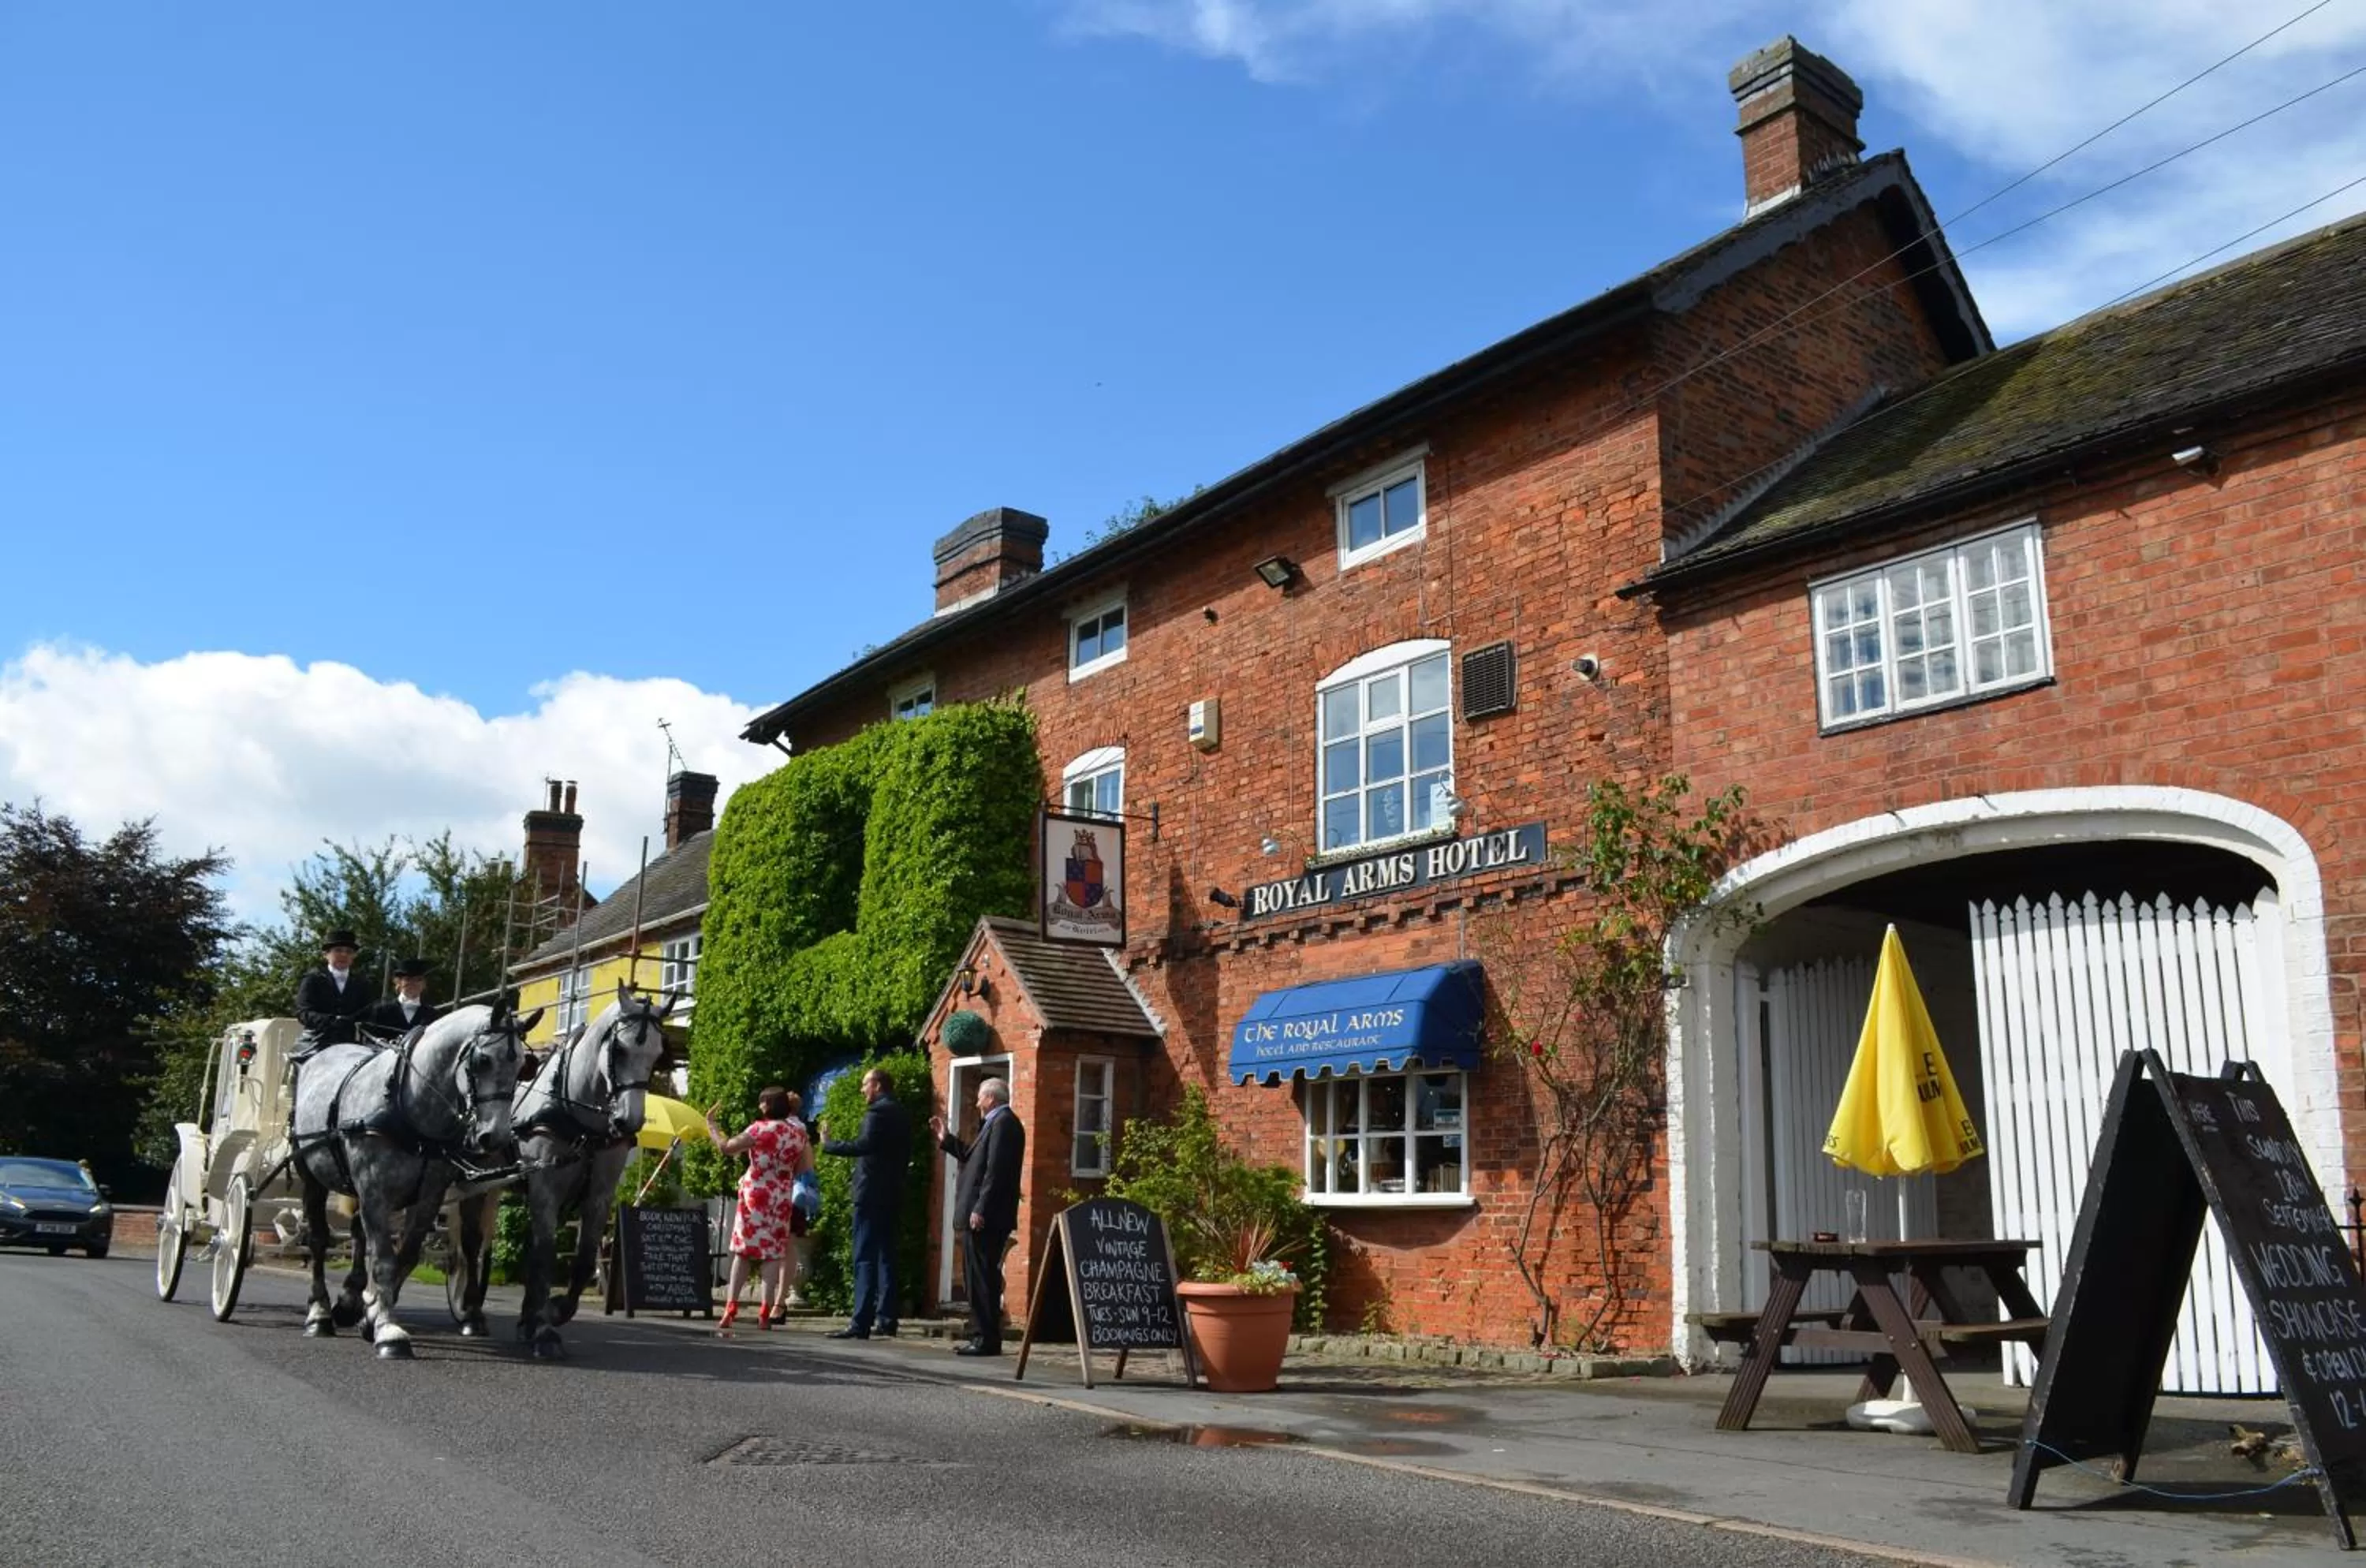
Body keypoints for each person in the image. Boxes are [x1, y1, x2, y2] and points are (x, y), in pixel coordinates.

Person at [706, 1086, 815, 1332]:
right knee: (773, 1254)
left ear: (766, 1105)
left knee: (743, 1252)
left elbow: (727, 1147)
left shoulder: (758, 1129)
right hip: (781, 1197)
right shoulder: (798, 1134)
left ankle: (731, 1308)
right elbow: (805, 1167)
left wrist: (712, 1126)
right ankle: (766, 1311)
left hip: (755, 1194)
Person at [931, 1076, 1024, 1357]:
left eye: (981, 1097)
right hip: (985, 1214)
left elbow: (996, 1172)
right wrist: (947, 1140)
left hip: (988, 1216)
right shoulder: (995, 1123)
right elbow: (975, 1160)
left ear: (991, 1098)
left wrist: (980, 1208)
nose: (976, 1102)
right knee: (977, 1277)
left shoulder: (1004, 1123)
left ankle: (986, 1339)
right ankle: (981, 1335)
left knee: (982, 1278)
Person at [819, 1067, 911, 1339]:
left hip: (870, 1193)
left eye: (865, 1084)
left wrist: (829, 1144)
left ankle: (860, 1321)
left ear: (877, 1085)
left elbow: (864, 1145)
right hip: (893, 1191)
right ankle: (887, 1319)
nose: (862, 1090)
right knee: (886, 1255)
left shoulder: (877, 1113)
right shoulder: (902, 1113)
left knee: (864, 1256)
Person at [292, 929, 379, 1061]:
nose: (344, 955)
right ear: (326, 954)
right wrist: (330, 1020)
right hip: (316, 1040)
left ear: (354, 956)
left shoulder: (362, 983)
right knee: (300, 1063)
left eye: (349, 952)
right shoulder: (313, 979)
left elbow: (368, 1014)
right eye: (338, 950)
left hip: (349, 1042)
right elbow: (303, 1012)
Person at [361, 958, 443, 1038]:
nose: (413, 983)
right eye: (408, 979)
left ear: (424, 984)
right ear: (398, 982)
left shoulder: (433, 1015)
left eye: (418, 980)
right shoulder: (381, 1011)